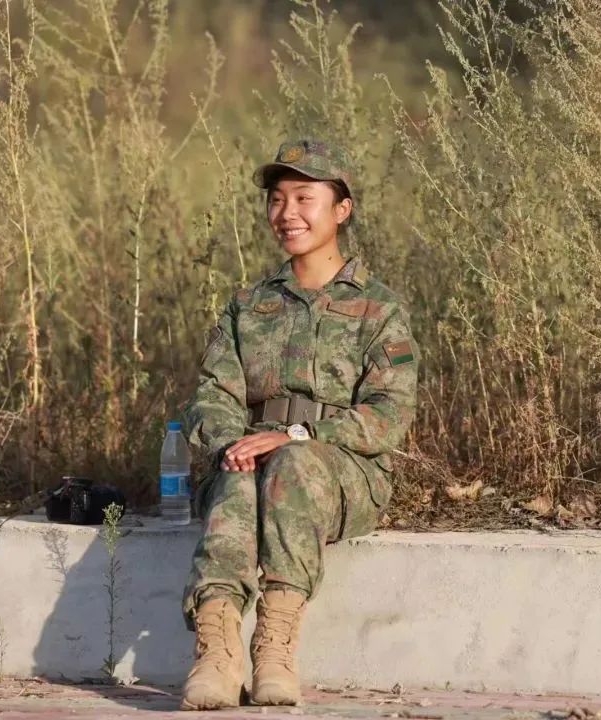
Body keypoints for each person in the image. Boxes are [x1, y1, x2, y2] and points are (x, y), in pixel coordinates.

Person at [179, 139, 419, 710]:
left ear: (342, 209)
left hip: (342, 473)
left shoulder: (379, 309)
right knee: (239, 473)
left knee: (291, 462)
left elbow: (389, 415)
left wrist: (298, 437)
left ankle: (275, 648)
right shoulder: (248, 306)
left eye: (304, 198)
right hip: (254, 459)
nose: (287, 213)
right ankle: (216, 652)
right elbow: (212, 395)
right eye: (277, 199)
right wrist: (234, 444)